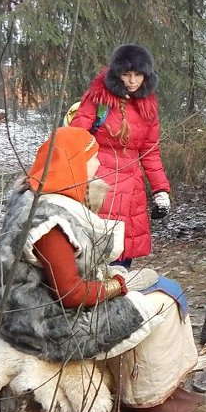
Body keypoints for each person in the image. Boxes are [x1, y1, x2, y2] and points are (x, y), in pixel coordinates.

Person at [0, 127, 201, 412]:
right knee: (160, 305)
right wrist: (117, 286)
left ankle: (165, 385)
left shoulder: (36, 197)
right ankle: (146, 400)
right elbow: (73, 295)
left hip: (36, 314)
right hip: (48, 328)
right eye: (91, 158)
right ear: (73, 162)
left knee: (163, 284)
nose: (96, 165)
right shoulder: (48, 223)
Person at [70, 44, 171, 267]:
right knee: (93, 255)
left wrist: (161, 190)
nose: (132, 81)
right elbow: (75, 137)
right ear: (117, 73)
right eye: (126, 74)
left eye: (138, 75)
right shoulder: (98, 98)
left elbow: (150, 151)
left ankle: (115, 297)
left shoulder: (148, 107)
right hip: (99, 183)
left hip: (132, 189)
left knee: (122, 257)